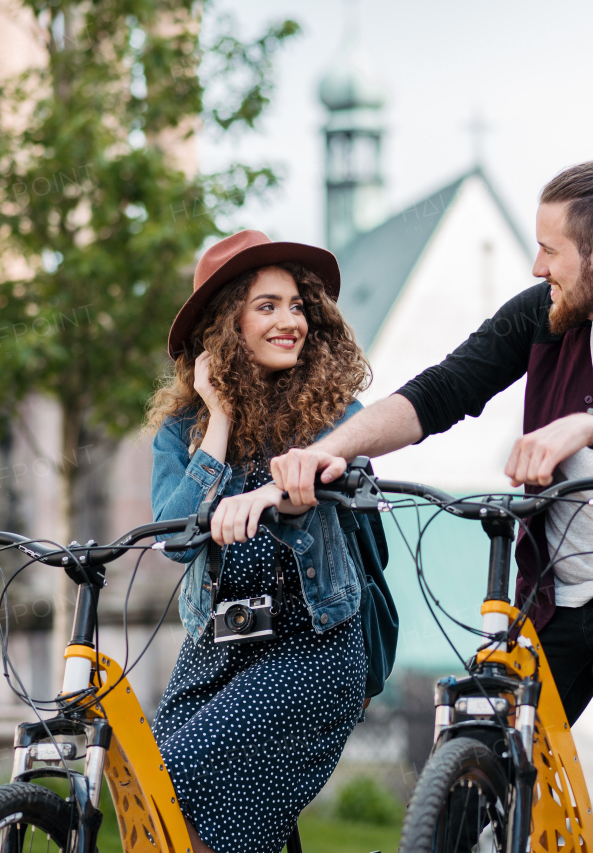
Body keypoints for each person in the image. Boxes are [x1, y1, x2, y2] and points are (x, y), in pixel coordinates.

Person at [271, 160, 593, 852]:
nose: (537, 267)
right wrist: (335, 447)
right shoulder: (547, 319)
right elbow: (442, 390)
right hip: (558, 595)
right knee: (478, 725)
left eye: (550, 250)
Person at [146, 230, 372, 853]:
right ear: (226, 327)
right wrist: (217, 422)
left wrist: (301, 500)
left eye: (297, 305)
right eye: (267, 306)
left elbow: (355, 472)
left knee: (180, 780)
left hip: (312, 646)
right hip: (216, 650)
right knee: (156, 805)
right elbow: (175, 539)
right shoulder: (182, 431)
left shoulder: (333, 414)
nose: (290, 321)